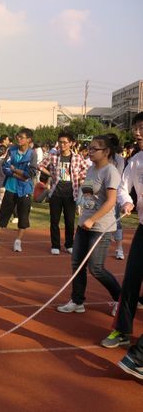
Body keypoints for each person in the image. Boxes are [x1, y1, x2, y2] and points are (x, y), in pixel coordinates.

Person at [56, 135, 122, 315]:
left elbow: (111, 202)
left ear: (106, 151)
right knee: (77, 264)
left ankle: (121, 299)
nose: (90, 151)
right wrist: (82, 210)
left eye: (94, 149)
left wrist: (93, 219)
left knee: (96, 268)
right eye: (89, 148)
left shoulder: (110, 171)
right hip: (84, 225)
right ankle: (77, 301)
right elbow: (88, 194)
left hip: (100, 228)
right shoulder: (92, 169)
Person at [100, 113, 143, 360]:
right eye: (136, 128)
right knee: (130, 280)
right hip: (142, 229)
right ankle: (122, 330)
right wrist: (127, 202)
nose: (137, 133)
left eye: (142, 128)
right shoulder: (136, 160)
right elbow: (124, 188)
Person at [0, 128, 37, 252]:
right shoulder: (11, 150)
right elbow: (5, 167)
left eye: (21, 137)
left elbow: (31, 173)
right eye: (17, 136)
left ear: (29, 140)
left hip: (25, 190)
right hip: (11, 187)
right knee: (3, 213)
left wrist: (15, 170)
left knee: (23, 216)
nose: (18, 138)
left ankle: (18, 241)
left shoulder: (32, 154)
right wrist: (18, 174)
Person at [39, 131, 88, 255]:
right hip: (55, 193)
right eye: (60, 142)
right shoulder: (53, 156)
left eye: (65, 142)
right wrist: (50, 174)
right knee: (54, 220)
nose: (62, 145)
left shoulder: (77, 157)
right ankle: (55, 245)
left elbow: (86, 169)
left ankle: (69, 244)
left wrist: (80, 178)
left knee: (70, 221)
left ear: (71, 143)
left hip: (71, 193)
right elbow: (40, 165)